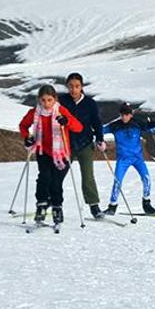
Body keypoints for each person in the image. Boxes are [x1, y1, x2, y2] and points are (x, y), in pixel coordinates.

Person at [18, 84, 83, 225]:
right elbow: (23, 125)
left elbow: (78, 127)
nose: (46, 104)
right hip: (43, 151)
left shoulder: (60, 111)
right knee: (44, 177)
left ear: (55, 99)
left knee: (56, 182)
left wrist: (66, 121)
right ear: (39, 100)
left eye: (49, 100)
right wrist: (27, 137)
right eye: (43, 100)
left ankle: (57, 207)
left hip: (61, 152)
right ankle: (41, 205)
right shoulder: (34, 112)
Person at [59, 72, 106, 219]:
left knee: (88, 176)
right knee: (58, 175)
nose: (74, 89)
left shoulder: (90, 103)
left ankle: (94, 207)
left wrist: (100, 138)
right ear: (67, 86)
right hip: (66, 144)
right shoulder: (61, 101)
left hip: (85, 143)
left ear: (82, 87)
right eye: (71, 86)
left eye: (77, 86)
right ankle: (52, 203)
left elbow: (96, 122)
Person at [101, 103, 155, 216]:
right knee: (117, 181)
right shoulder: (115, 126)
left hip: (137, 158)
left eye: (127, 114)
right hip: (123, 159)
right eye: (122, 114)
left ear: (131, 115)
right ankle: (112, 207)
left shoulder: (137, 123)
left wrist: (153, 125)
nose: (124, 117)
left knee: (146, 178)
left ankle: (146, 204)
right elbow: (101, 130)